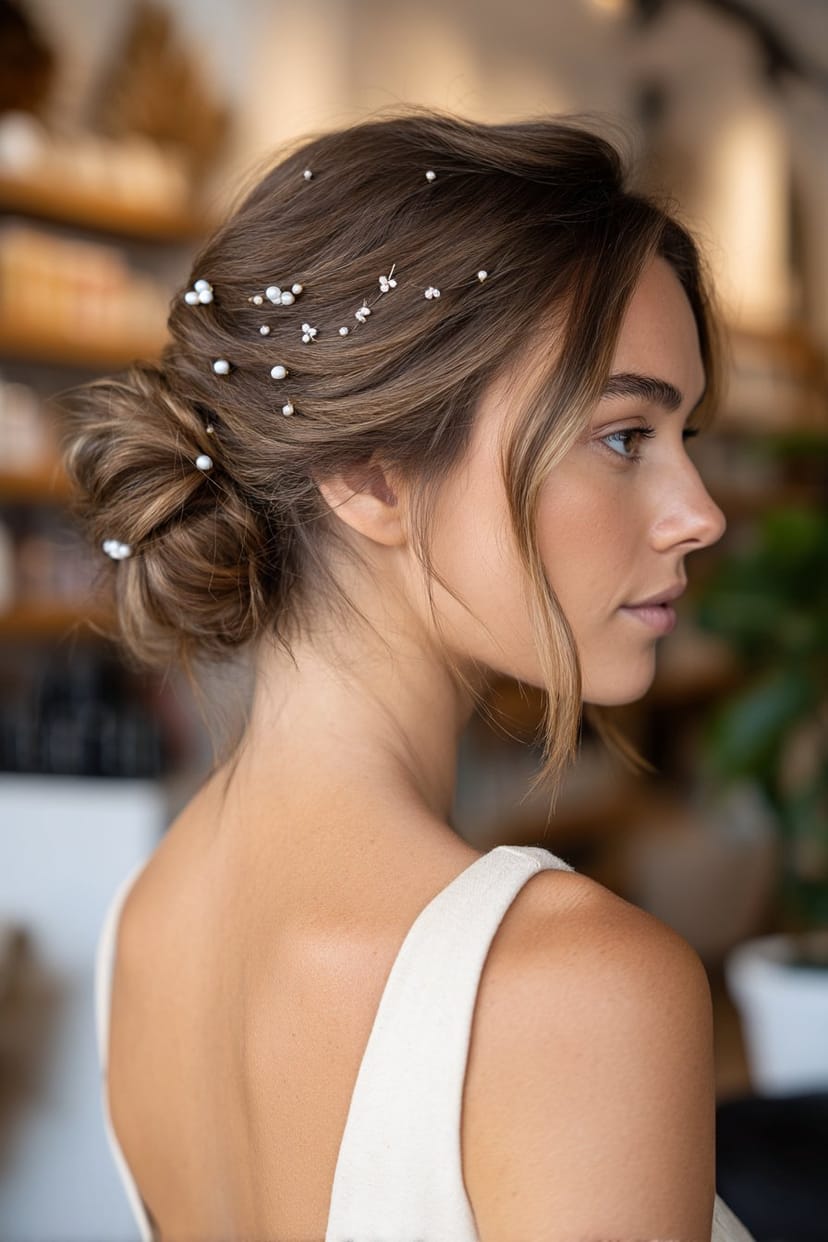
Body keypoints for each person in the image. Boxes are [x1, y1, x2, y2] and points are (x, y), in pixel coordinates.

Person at [64, 108, 757, 1240]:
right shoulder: (573, 989)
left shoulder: (145, 919)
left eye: (689, 441)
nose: (702, 514)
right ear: (370, 477)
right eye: (626, 436)